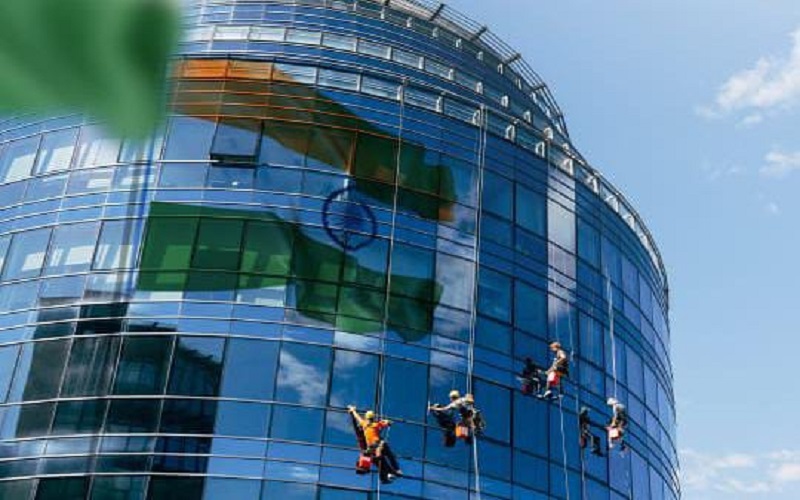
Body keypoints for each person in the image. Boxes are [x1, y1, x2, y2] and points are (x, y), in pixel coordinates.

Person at [348, 406, 403, 483]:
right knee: (387, 457)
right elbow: (382, 423)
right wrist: (388, 422)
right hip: (374, 447)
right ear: (372, 418)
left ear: (366, 418)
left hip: (371, 449)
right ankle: (393, 471)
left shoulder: (364, 424)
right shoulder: (373, 425)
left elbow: (357, 418)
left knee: (381, 460)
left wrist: (353, 411)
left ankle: (388, 475)